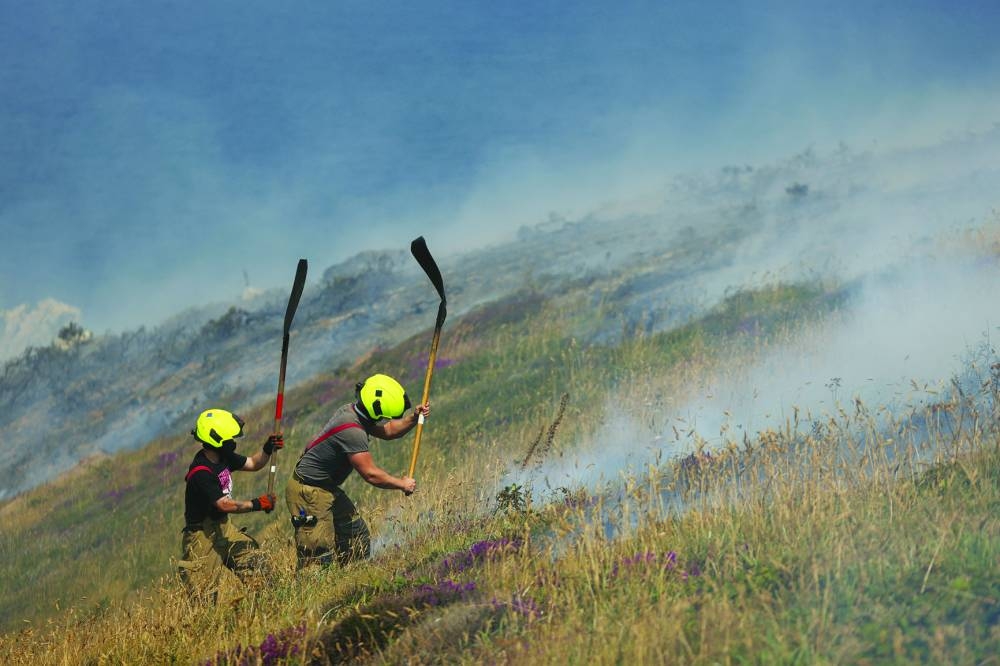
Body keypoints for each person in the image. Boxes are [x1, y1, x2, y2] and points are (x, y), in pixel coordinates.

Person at [286, 373, 428, 569]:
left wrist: (413, 418)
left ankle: (349, 577)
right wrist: (401, 484)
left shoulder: (354, 412)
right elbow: (370, 474)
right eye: (383, 415)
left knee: (355, 534)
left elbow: (388, 431)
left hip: (324, 487)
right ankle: (319, 593)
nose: (384, 419)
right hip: (308, 491)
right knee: (317, 555)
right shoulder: (352, 431)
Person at [178, 408, 284, 603]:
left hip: (223, 527)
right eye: (230, 439)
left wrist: (268, 448)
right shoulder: (201, 472)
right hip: (201, 537)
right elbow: (224, 505)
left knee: (257, 564)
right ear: (216, 441)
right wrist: (257, 504)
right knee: (203, 598)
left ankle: (271, 605)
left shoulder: (223, 457)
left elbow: (253, 463)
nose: (233, 443)